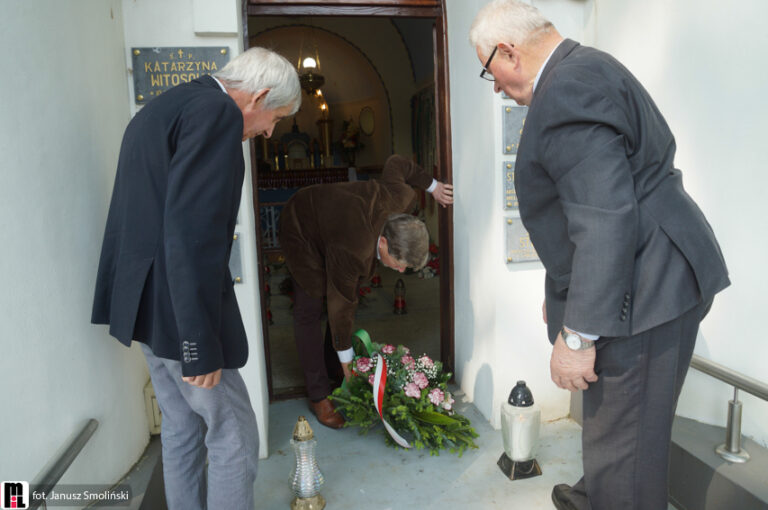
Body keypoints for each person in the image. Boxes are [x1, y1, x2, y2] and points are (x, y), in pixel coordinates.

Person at [470, 2, 729, 509]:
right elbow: (591, 200)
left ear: (509, 52)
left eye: (489, 71)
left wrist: (578, 333)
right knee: (626, 430)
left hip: (645, 288)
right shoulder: (588, 65)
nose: (495, 86)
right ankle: (595, 493)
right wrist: (564, 293)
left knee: (626, 452)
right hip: (663, 271)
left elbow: (604, 217)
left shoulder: (564, 89)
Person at [91, 47, 301, 510]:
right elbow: (191, 235)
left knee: (181, 427)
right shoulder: (217, 113)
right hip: (178, 316)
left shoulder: (163, 107)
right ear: (259, 96)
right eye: (276, 117)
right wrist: (197, 342)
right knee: (234, 434)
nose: (269, 131)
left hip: (143, 306)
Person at [279, 154, 453, 429]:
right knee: (310, 306)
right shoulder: (354, 250)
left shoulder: (401, 198)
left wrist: (433, 186)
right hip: (301, 223)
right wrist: (351, 372)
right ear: (383, 243)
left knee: (341, 300)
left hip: (335, 221)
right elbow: (341, 307)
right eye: (399, 264)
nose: (399, 271)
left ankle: (333, 366)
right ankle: (318, 394)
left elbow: (397, 163)